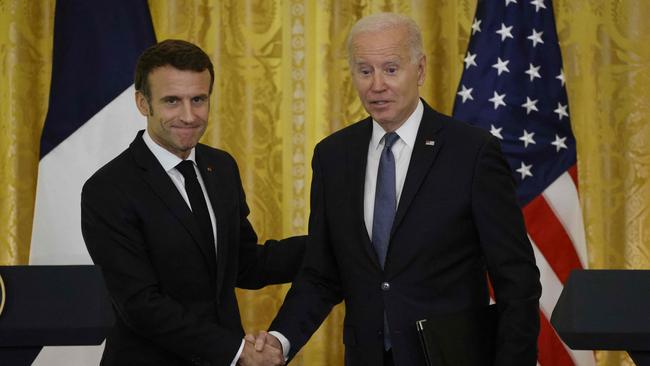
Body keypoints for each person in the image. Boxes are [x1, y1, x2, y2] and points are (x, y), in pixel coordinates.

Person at [252, 13, 542, 366]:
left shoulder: (472, 153)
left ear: (419, 70)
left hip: (452, 356)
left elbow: (517, 279)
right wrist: (280, 342)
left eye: (390, 69)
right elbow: (321, 273)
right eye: (364, 71)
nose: (377, 85)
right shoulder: (333, 156)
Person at [81, 39, 304, 366]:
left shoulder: (221, 167)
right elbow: (141, 305)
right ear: (143, 103)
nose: (189, 116)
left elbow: (244, 263)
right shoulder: (108, 189)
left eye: (198, 99)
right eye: (172, 101)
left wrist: (332, 243)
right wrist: (237, 352)